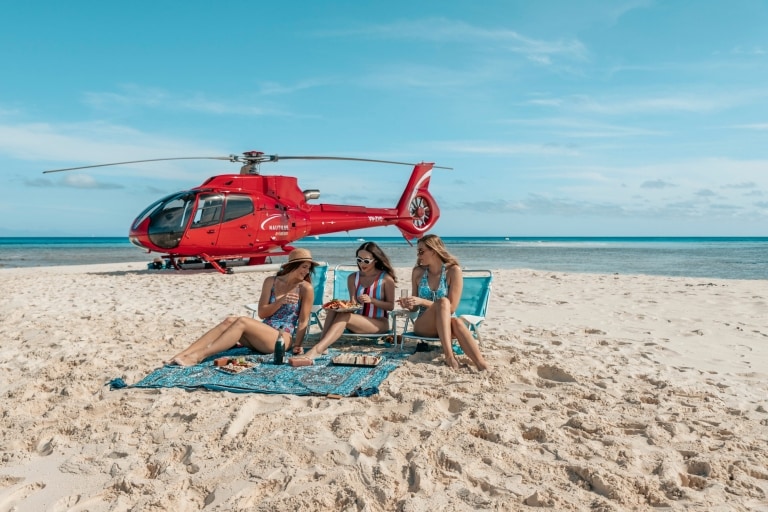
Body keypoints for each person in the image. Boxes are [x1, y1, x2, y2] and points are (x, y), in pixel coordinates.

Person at [167, 248, 317, 366]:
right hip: (263, 335)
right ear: (292, 266)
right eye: (303, 267)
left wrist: (298, 345)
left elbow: (304, 321)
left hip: (282, 338)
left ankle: (198, 356)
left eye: (308, 268)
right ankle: (183, 354)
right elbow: (262, 313)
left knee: (242, 321)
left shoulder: (305, 288)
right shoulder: (271, 281)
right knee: (229, 321)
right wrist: (280, 301)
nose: (305, 272)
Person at [289, 241, 396, 366]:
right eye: (359, 260)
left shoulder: (386, 279)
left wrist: (372, 300)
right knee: (333, 308)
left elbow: (390, 306)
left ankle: (316, 350)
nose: (362, 264)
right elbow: (353, 304)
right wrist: (340, 306)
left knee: (344, 316)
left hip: (379, 323)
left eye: (366, 261)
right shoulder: (352, 278)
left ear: (375, 260)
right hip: (359, 321)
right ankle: (323, 345)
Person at [399, 234, 489, 371]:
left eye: (421, 251)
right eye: (418, 251)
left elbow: (451, 308)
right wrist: (410, 304)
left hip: (447, 324)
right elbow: (414, 309)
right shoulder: (418, 272)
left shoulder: (453, 271)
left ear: (433, 251)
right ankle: (449, 356)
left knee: (456, 320)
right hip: (424, 326)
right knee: (443, 302)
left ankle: (481, 364)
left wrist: (422, 301)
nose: (418, 255)